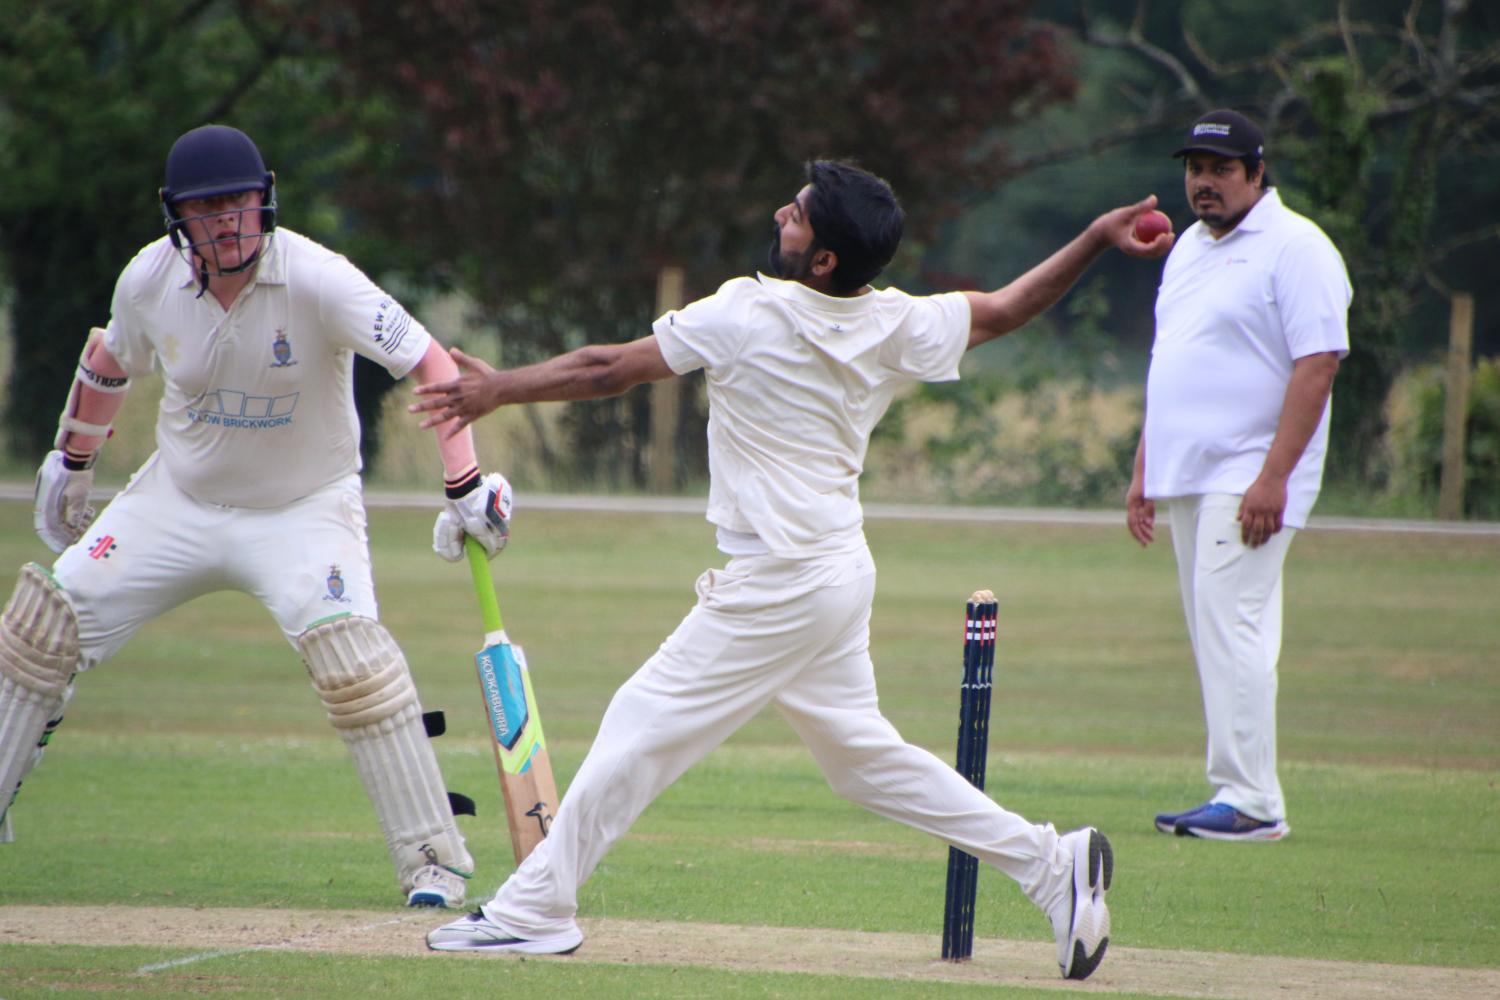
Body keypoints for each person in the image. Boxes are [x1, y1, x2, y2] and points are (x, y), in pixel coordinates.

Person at [412, 160, 1170, 979]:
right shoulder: (892, 321)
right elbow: (1007, 310)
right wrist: (1095, 238)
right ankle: (1054, 864)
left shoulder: (748, 309)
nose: (782, 212)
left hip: (779, 580)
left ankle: (535, 909)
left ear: (822, 261)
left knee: (639, 723)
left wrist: (499, 391)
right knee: (863, 765)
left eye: (799, 216)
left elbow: (610, 369)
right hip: (837, 571)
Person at [1, 124, 514, 908]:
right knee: (43, 623)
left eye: (241, 204)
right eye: (209, 210)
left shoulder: (319, 278)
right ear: (180, 219)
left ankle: (431, 859)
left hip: (304, 508)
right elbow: (111, 357)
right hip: (177, 501)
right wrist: (72, 459)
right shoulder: (148, 279)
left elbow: (430, 362)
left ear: (265, 201)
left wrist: (465, 484)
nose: (228, 222)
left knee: (356, 665)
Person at [1126, 110, 1351, 842]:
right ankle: (1241, 792)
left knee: (1233, 625)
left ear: (1258, 174)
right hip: (1190, 469)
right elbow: (1172, 362)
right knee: (1219, 627)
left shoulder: (1297, 247)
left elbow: (1318, 362)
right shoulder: (1188, 249)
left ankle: (1251, 800)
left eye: (1221, 170)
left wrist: (1273, 479)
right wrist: (1144, 469)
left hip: (1252, 471)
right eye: (1195, 169)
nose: (1204, 183)